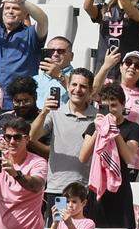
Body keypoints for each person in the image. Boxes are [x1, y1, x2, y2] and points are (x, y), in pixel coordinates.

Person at [93, 50, 139, 179]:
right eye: (128, 63)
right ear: (121, 67)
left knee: (126, 198)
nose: (132, 67)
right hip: (104, 154)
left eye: (138, 65)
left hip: (132, 161)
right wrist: (106, 66)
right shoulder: (108, 85)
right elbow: (92, 92)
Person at [32, 69, 97, 210]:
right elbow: (32, 136)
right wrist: (43, 112)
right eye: (74, 85)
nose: (77, 90)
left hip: (86, 190)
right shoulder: (54, 112)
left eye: (83, 86)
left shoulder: (98, 118)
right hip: (58, 189)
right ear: (68, 86)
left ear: (91, 90)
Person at [81, 83, 139, 229]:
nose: (110, 111)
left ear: (123, 105)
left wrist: (115, 132)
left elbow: (129, 158)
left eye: (114, 106)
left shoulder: (133, 128)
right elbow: (83, 157)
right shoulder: (92, 127)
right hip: (98, 187)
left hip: (121, 189)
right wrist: (98, 129)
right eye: (105, 107)